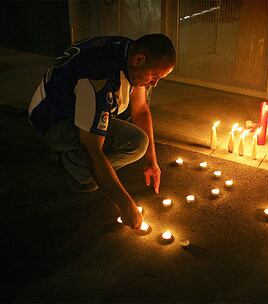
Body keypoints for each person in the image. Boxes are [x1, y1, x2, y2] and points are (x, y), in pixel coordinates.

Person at [28, 34, 176, 229]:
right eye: (155, 76)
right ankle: (71, 165)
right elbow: (92, 148)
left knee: (138, 141)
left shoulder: (128, 52)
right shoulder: (99, 78)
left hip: (74, 107)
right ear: (139, 60)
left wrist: (151, 161)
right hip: (53, 122)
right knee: (119, 153)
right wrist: (126, 205)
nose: (154, 84)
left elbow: (140, 109)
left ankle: (82, 161)